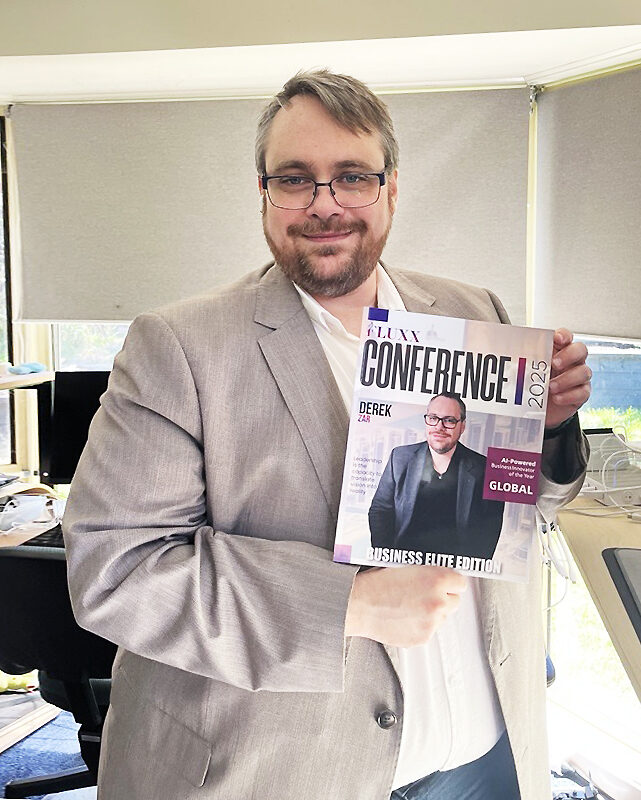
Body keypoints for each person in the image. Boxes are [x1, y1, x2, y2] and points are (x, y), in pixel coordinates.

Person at [63, 70, 591, 800]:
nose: (324, 205)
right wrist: (351, 605)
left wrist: (553, 432)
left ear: (391, 189)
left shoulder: (475, 312)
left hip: (484, 756)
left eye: (351, 177)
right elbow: (117, 572)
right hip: (283, 776)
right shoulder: (178, 347)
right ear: (263, 193)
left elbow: (526, 506)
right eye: (294, 179)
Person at [369, 393, 505, 560]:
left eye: (449, 420)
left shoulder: (487, 470)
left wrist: (468, 570)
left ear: (462, 426)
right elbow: (380, 509)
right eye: (433, 418)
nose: (439, 427)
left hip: (454, 571)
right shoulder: (400, 457)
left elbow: (491, 526)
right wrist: (386, 559)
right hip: (403, 565)